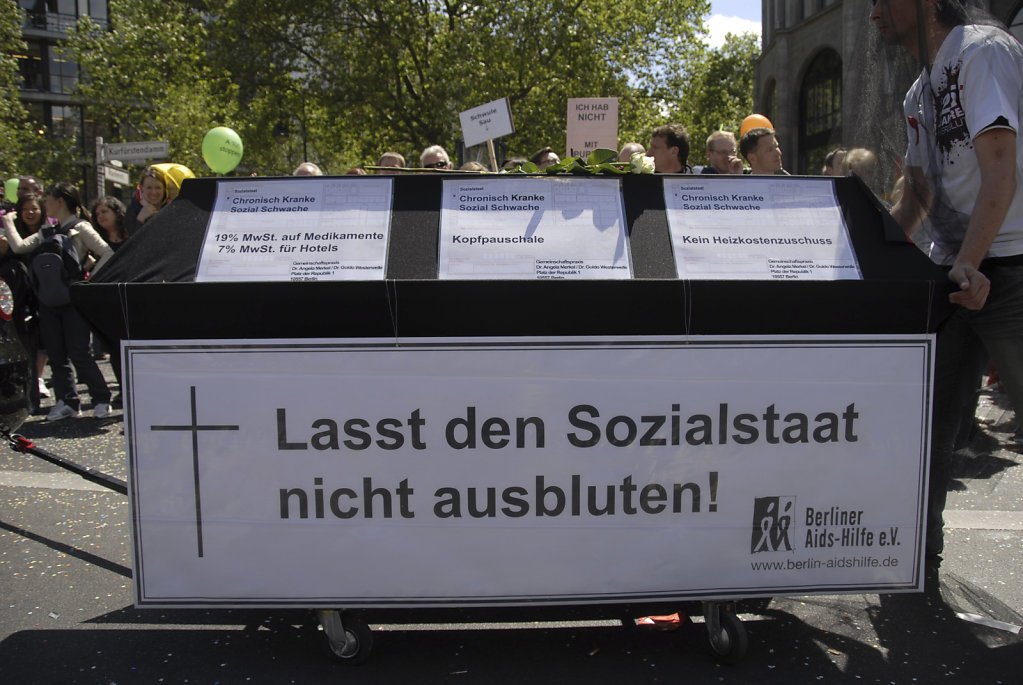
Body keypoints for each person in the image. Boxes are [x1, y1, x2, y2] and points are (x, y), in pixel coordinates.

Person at [869, 0, 1023, 558]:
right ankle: (914, 556)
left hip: (1008, 264)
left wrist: (972, 260)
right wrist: (868, 255)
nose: (872, 14)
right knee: (927, 421)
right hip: (955, 272)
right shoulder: (918, 93)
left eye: (881, 1)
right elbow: (919, 194)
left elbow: (1000, 168)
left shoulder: (980, 51)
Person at [5, 182, 113, 420]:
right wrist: (8, 223)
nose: (45, 205)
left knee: (79, 351)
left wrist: (89, 280)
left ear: (60, 201)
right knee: (56, 354)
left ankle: (101, 398)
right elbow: (20, 247)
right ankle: (67, 401)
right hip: (48, 301)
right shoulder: (47, 230)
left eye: (48, 200)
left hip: (73, 299)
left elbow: (107, 253)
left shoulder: (81, 228)